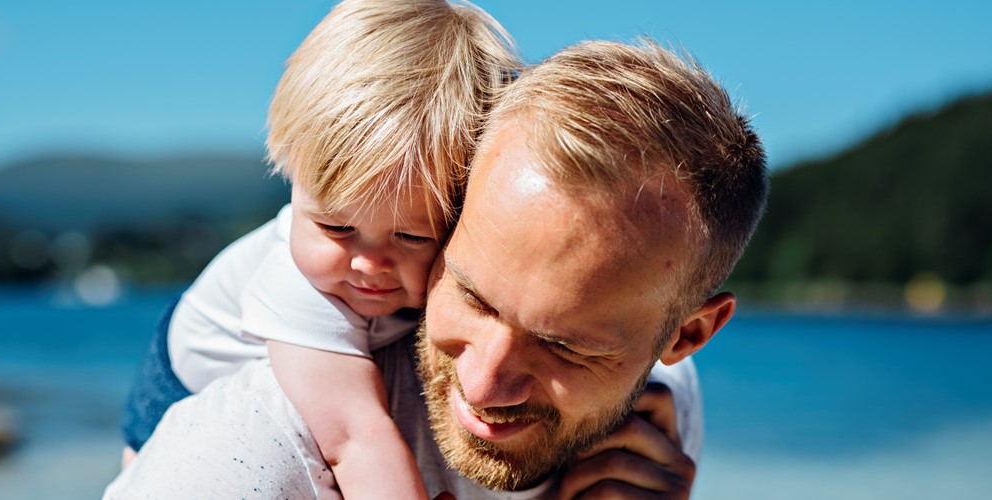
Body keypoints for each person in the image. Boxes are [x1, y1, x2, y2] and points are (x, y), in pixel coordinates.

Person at [108, 38, 767, 499]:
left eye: (563, 344)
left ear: (685, 337)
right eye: (474, 297)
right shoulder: (253, 453)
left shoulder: (657, 433)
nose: (482, 385)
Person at [117, 1, 517, 498]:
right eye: (334, 226)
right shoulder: (294, 286)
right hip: (179, 379)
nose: (369, 262)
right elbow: (353, 436)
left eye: (412, 237)